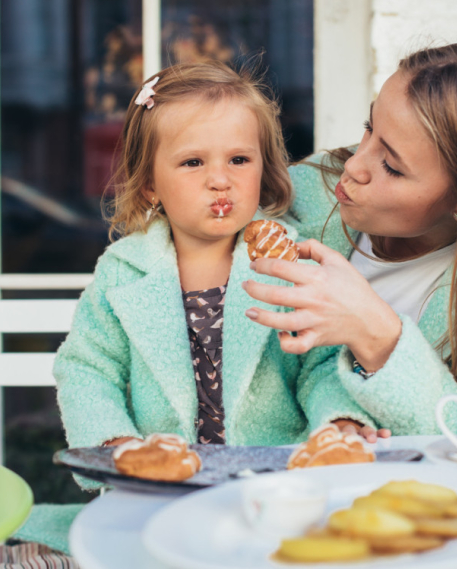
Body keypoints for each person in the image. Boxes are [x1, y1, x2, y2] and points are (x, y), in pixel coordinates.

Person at [53, 59, 310, 459]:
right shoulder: (123, 271)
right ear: (151, 185)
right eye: (193, 162)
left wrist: (339, 424)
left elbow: (324, 365)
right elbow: (88, 368)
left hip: (270, 482)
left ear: (264, 166)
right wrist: (116, 444)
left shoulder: (287, 261)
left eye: (239, 160)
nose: (220, 179)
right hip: (162, 485)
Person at [243, 43, 457, 440]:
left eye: (392, 167)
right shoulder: (290, 202)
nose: (353, 165)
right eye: (369, 128)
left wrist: (378, 336)